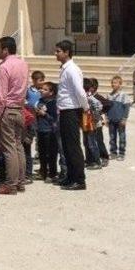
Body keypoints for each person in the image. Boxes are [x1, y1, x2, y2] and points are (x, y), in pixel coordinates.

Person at [0, 36, 29, 195]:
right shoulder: (23, 64)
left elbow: (1, 96)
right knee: (18, 145)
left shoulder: (4, 67)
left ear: (5, 49)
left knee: (8, 148)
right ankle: (20, 181)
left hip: (7, 110)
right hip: (20, 109)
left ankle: (11, 184)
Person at [54, 40, 89, 190]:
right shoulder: (64, 69)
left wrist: (86, 107)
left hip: (71, 110)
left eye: (58, 51)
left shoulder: (72, 69)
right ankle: (70, 176)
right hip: (64, 109)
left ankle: (79, 179)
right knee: (66, 146)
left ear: (67, 52)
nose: (56, 54)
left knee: (73, 146)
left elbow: (79, 91)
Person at [34, 81, 58, 181]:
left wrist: (45, 114)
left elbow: (54, 118)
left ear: (51, 92)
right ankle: (43, 171)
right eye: (42, 89)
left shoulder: (53, 103)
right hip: (40, 129)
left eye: (45, 89)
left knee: (51, 153)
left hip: (49, 131)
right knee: (42, 152)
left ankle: (52, 173)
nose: (42, 90)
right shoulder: (40, 101)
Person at [107, 75, 130, 161]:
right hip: (111, 120)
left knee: (122, 137)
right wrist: (106, 118)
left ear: (120, 84)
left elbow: (127, 107)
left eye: (115, 83)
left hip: (120, 120)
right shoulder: (109, 95)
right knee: (112, 137)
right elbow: (106, 108)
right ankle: (113, 152)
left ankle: (121, 153)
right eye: (112, 83)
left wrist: (124, 118)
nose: (113, 84)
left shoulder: (123, 95)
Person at [83, 78, 103, 170]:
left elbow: (99, 105)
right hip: (85, 123)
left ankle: (97, 162)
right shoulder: (84, 97)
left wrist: (95, 118)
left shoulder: (90, 98)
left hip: (91, 124)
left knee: (92, 143)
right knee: (86, 142)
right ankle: (89, 160)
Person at [90, 78, 110, 166]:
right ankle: (92, 158)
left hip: (97, 122)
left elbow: (109, 104)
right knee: (90, 141)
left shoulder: (97, 97)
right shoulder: (87, 96)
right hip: (89, 122)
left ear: (94, 87)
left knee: (99, 140)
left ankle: (104, 157)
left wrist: (101, 112)